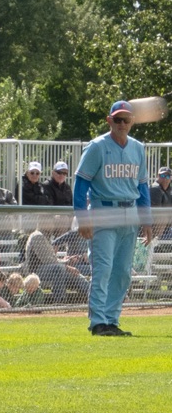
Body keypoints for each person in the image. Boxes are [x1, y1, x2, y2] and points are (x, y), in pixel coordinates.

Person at [74, 98, 153, 337]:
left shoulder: (138, 148)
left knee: (123, 271)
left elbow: (143, 188)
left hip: (129, 213)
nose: (122, 123)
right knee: (103, 268)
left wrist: (146, 220)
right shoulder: (97, 146)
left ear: (132, 121)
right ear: (109, 120)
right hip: (104, 211)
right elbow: (80, 184)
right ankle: (98, 321)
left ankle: (111, 319)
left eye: (126, 119)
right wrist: (83, 219)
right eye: (117, 119)